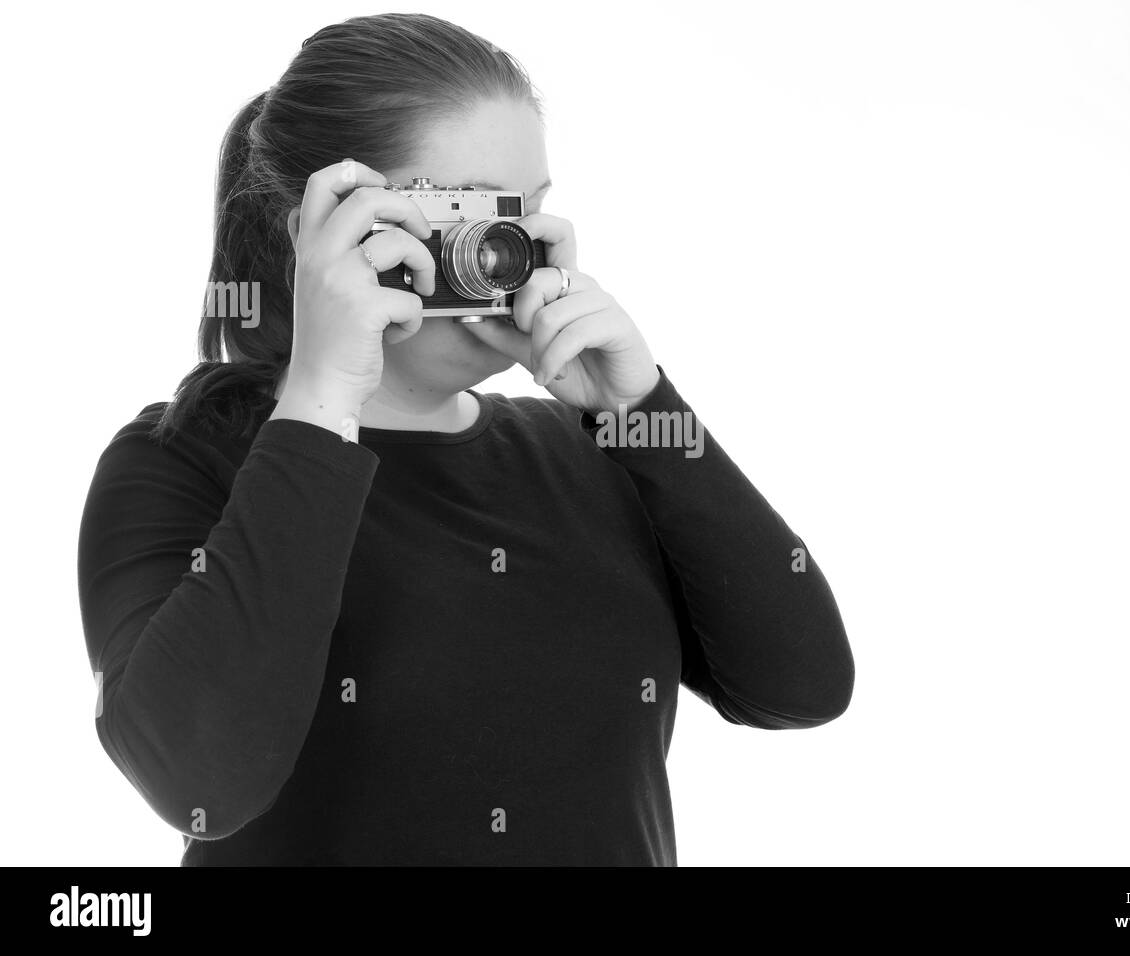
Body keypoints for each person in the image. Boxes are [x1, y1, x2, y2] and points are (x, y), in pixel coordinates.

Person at [77, 12, 853, 866]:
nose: (498, 257)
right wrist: (323, 395)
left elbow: (802, 688)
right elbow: (200, 783)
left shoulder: (592, 452)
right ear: (315, 230)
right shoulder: (179, 460)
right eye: (460, 215)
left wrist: (641, 415)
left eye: (521, 216)